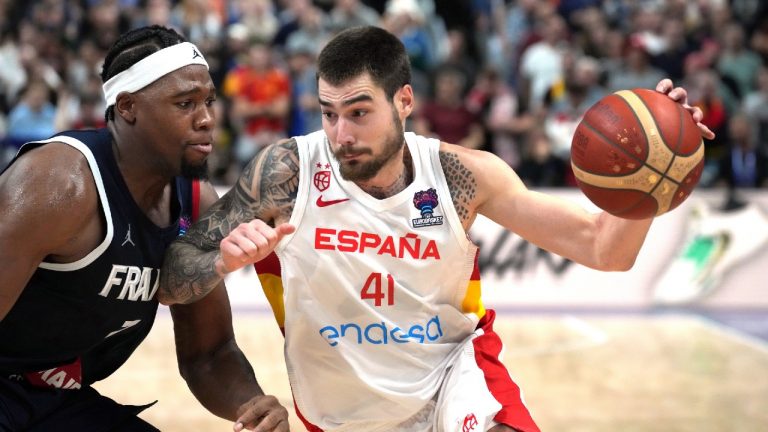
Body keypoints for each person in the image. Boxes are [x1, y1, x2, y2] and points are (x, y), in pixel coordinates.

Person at [159, 26, 715, 432]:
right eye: (329, 113)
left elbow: (603, 249)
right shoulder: (287, 172)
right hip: (339, 409)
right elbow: (173, 271)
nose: (340, 133)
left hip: (454, 375)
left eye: (358, 112)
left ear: (405, 101)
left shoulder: (460, 175)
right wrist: (222, 262)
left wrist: (654, 177)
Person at [0, 25, 287, 431]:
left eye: (208, 100)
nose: (206, 119)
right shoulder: (61, 183)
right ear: (128, 107)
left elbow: (208, 355)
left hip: (60, 400)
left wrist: (253, 405)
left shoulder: (195, 203)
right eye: (185, 103)